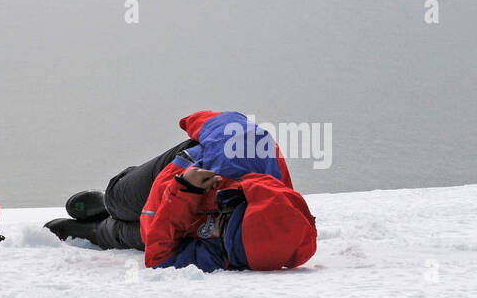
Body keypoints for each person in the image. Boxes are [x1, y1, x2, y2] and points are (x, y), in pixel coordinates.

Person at [45, 110, 316, 272]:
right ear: (239, 200)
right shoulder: (243, 148)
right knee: (119, 197)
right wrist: (195, 128)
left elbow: (158, 256)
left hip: (162, 223)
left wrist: (184, 192)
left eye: (220, 240)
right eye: (224, 221)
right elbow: (224, 122)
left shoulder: (231, 253)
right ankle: (108, 203)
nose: (214, 233)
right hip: (171, 172)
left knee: (121, 233)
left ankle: (94, 231)